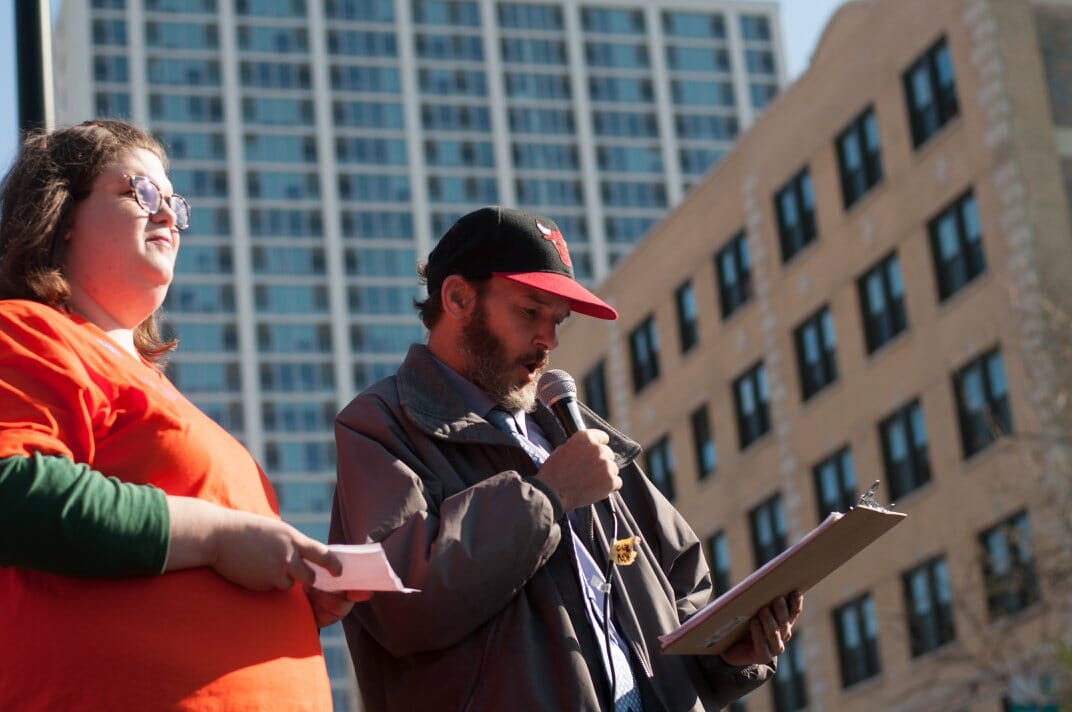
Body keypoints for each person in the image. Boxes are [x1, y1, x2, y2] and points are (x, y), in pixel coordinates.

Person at [331, 205, 805, 711]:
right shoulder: (380, 425)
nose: (550, 340)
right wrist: (548, 495)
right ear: (457, 297)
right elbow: (399, 600)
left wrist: (728, 653)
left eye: (558, 321)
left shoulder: (569, 428)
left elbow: (683, 587)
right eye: (529, 311)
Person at [0, 119, 361, 709]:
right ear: (63, 217)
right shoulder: (25, 330)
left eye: (174, 201)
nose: (167, 214)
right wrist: (217, 536)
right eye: (140, 193)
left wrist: (293, 589)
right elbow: (12, 490)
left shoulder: (171, 399)